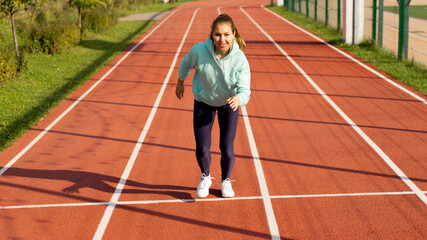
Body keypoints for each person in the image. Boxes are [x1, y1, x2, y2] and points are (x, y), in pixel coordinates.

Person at [175, 14, 251, 198]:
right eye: (217, 35)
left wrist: (239, 99)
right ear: (212, 35)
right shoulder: (199, 50)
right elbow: (186, 64)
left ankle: (226, 181)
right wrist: (180, 83)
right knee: (202, 147)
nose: (221, 39)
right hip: (204, 102)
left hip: (228, 104)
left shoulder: (240, 59)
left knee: (226, 146)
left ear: (233, 35)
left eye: (226, 34)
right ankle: (205, 177)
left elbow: (245, 90)